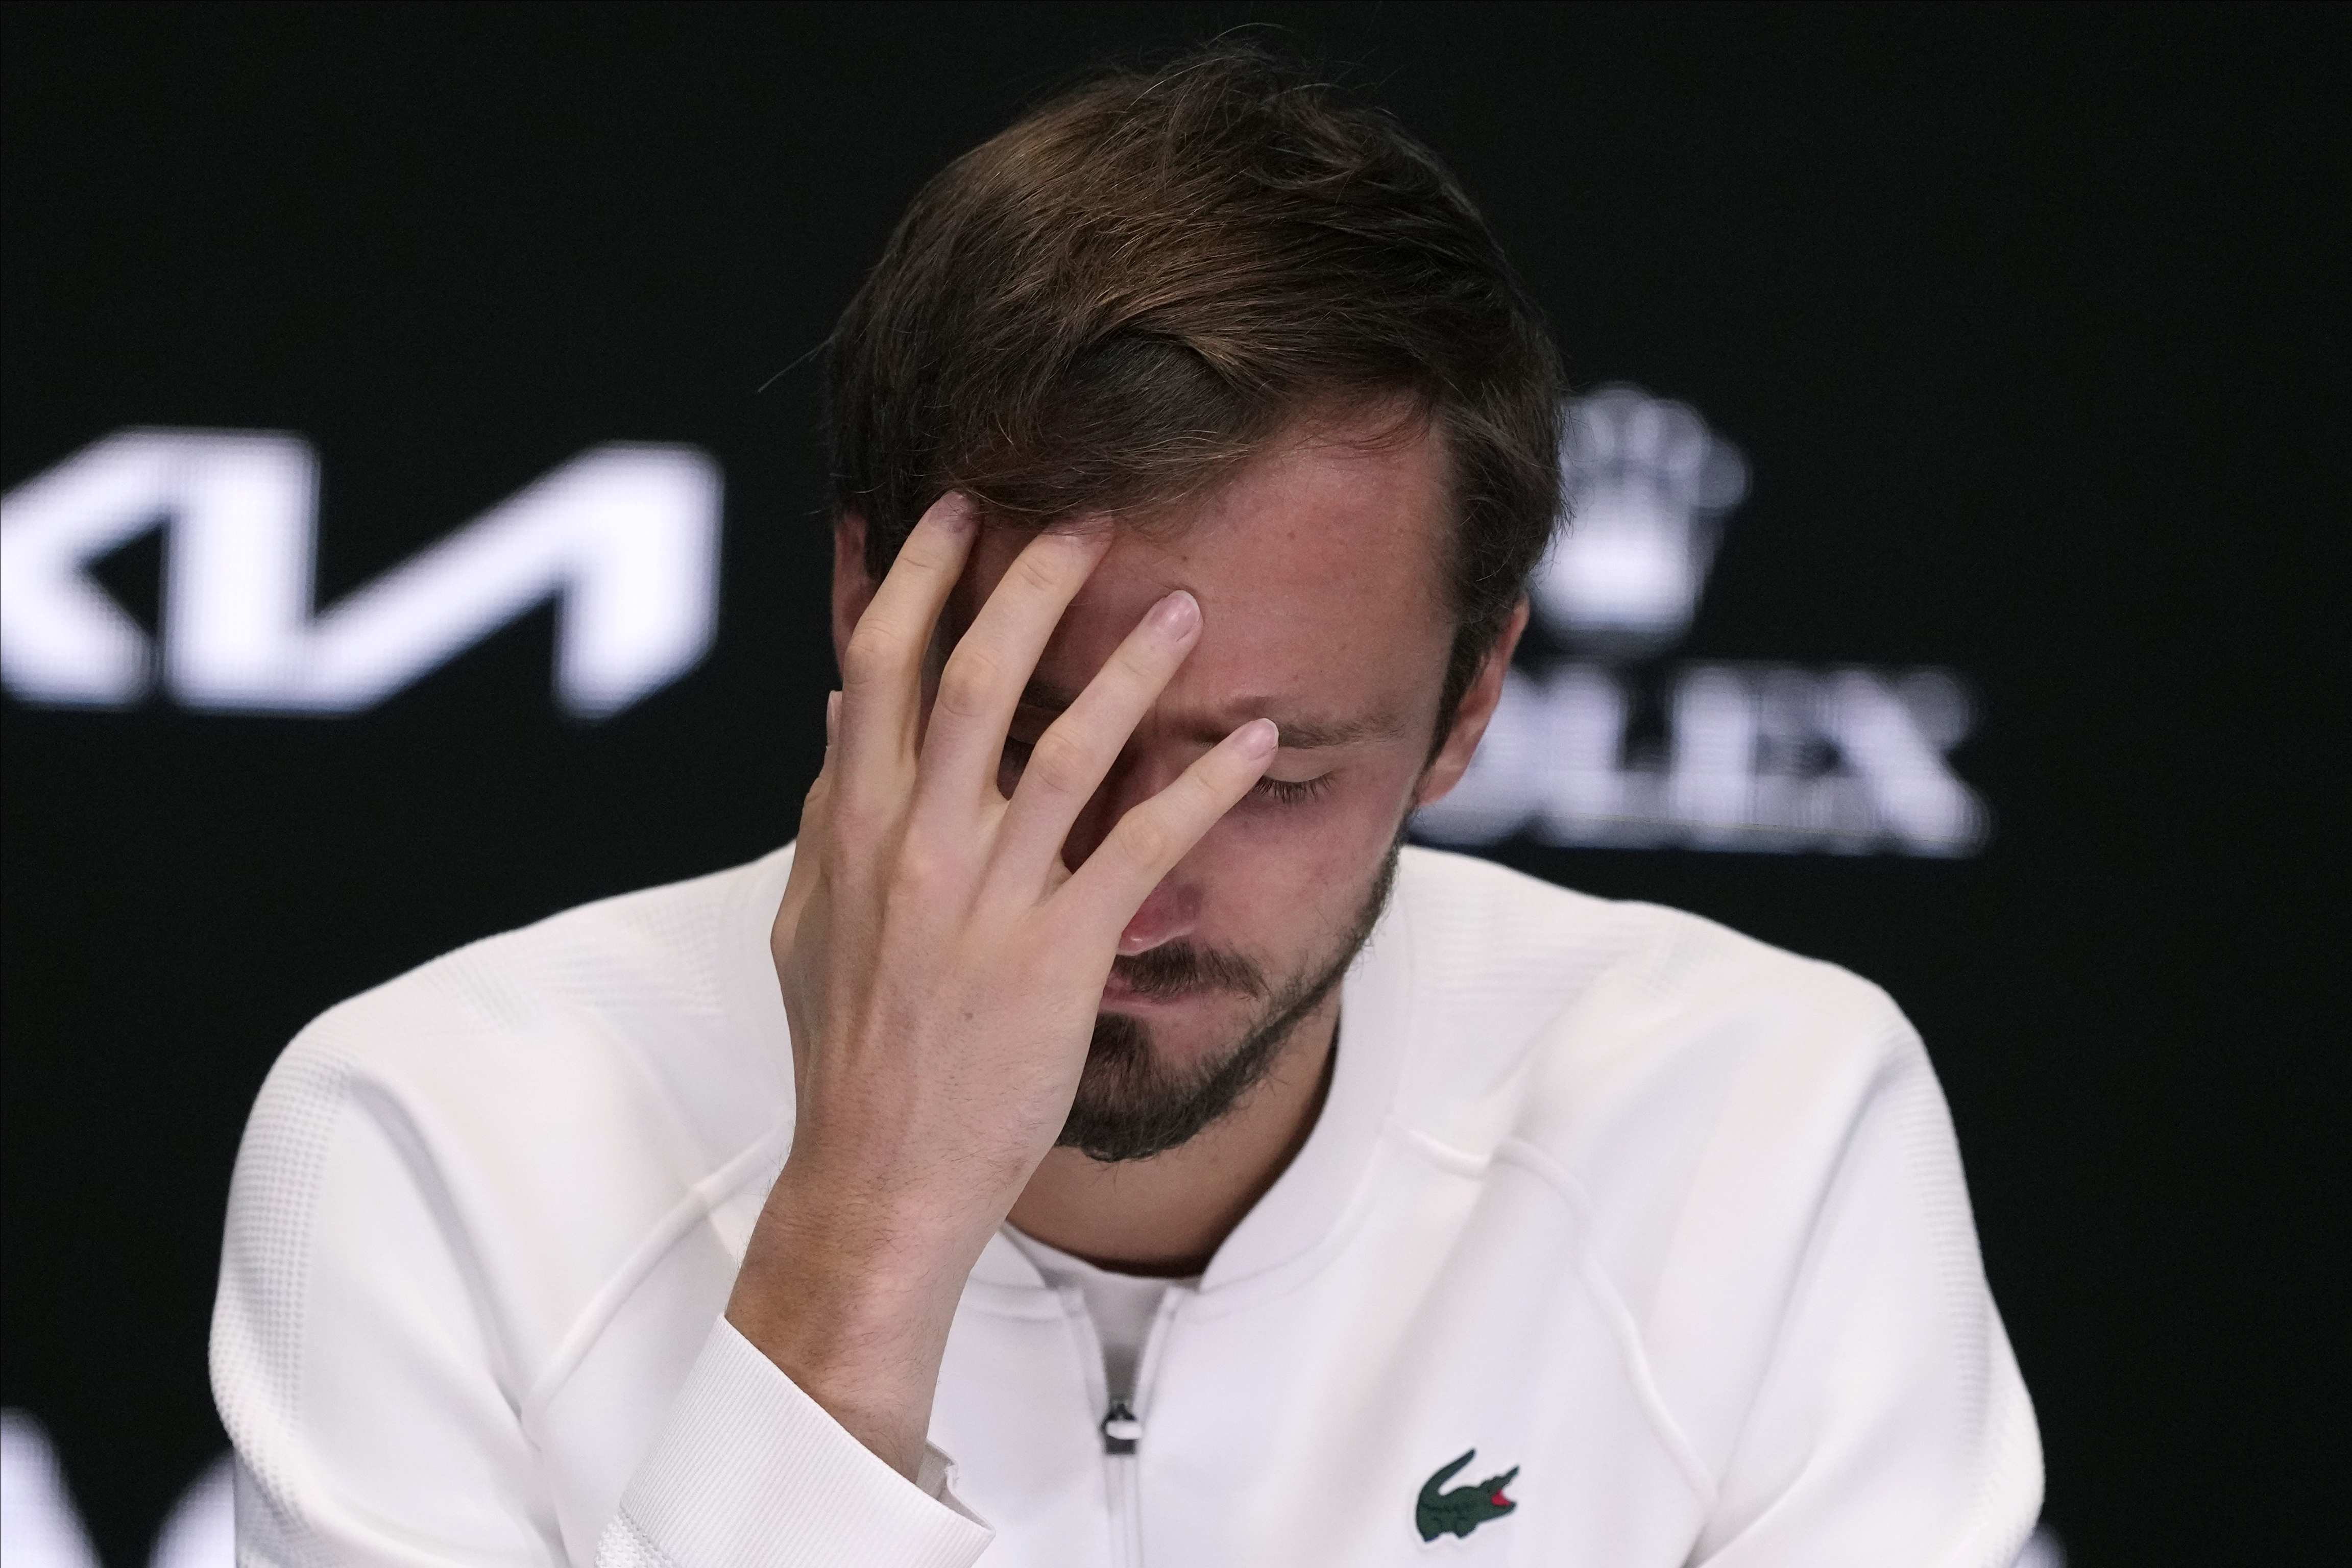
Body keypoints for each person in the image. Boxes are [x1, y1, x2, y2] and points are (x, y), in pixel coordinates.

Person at [211, 47, 2041, 1567]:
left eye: (1275, 777)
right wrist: (871, 1225)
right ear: (870, 607)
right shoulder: (428, 1143)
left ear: (1473, 701)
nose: (1128, 900)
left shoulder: (1766, 1128)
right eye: (1049, 741)